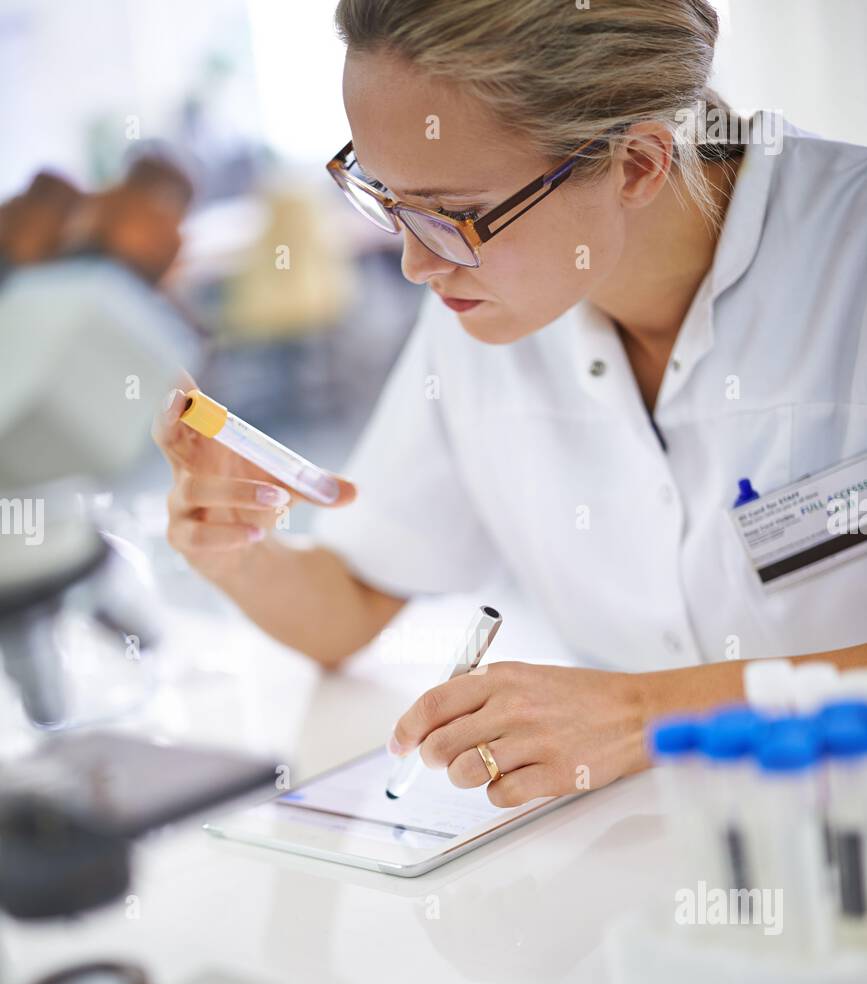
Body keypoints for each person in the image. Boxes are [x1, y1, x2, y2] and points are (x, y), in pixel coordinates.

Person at [155, 0, 867, 808]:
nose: (416, 266)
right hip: (648, 862)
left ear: (637, 164)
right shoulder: (481, 302)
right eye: (386, 199)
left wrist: (646, 712)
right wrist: (235, 548)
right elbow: (348, 605)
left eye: (451, 214)